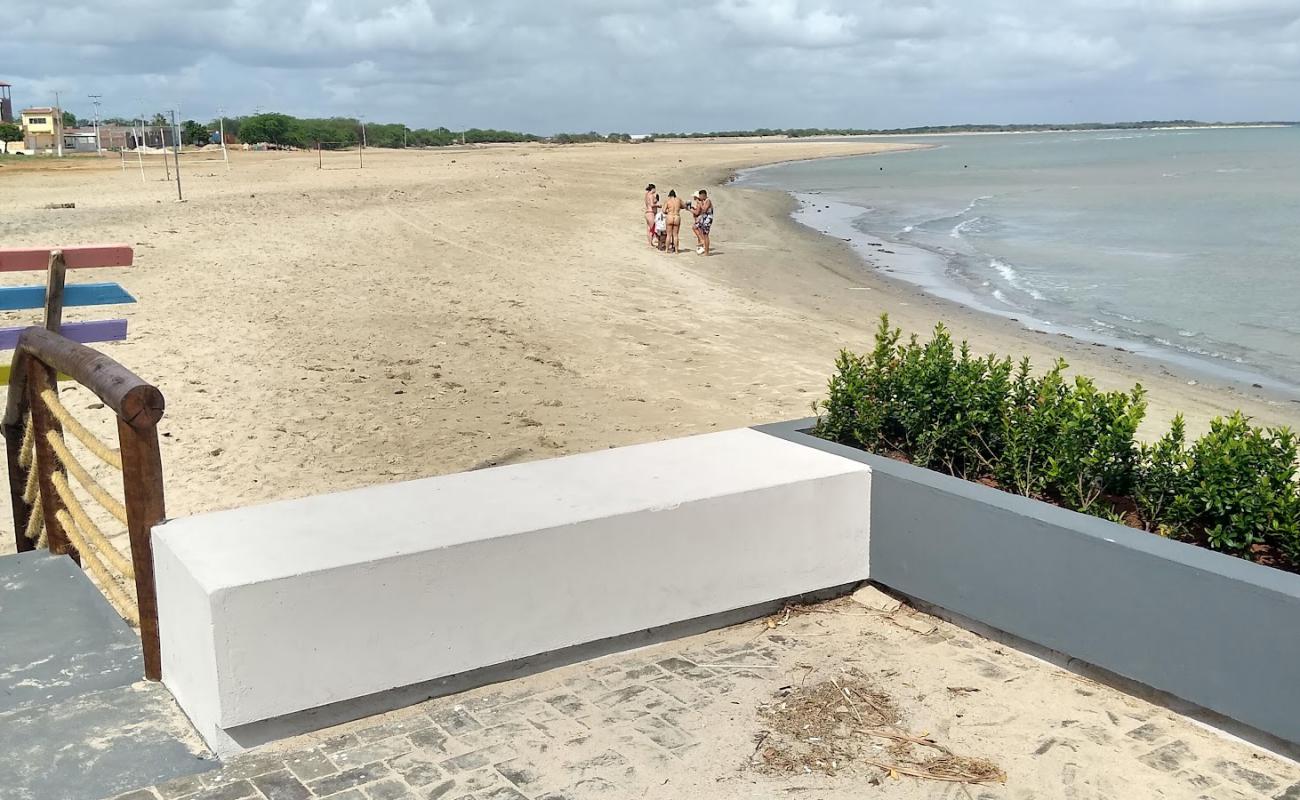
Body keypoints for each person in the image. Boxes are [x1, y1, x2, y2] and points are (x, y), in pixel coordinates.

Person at [691, 189, 714, 256]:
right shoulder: (704, 201)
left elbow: (704, 209)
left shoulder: (708, 201)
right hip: (703, 218)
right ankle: (702, 241)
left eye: (700, 196)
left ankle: (706, 251)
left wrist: (700, 204)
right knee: (695, 227)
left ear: (703, 195)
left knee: (705, 235)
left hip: (708, 219)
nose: (699, 197)